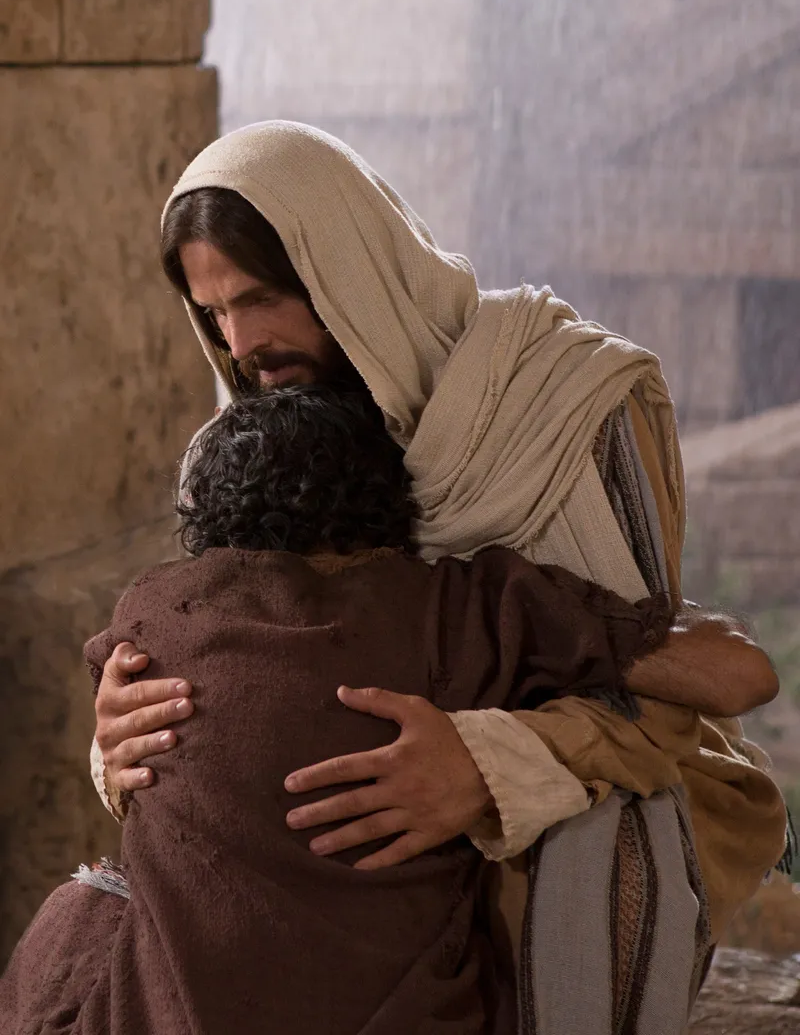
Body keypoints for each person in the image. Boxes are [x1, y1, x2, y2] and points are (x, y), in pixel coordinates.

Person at [91, 122, 787, 1034]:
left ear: (345, 264)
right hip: (350, 834)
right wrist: (122, 734)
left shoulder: (568, 405)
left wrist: (485, 767)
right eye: (213, 313)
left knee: (610, 852)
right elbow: (240, 664)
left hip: (578, 792)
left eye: (263, 298)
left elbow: (660, 697)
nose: (242, 344)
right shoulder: (254, 449)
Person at [0, 389, 778, 1034]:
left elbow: (121, 701)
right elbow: (739, 676)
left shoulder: (154, 611)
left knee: (85, 908)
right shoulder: (457, 608)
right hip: (426, 1021)